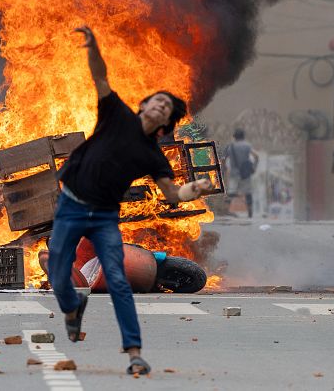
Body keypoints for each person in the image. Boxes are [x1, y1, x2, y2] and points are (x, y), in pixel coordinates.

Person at [48, 26, 212, 376]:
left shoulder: (153, 155)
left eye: (167, 106)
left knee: (120, 283)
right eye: (157, 99)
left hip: (104, 216)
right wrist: (92, 47)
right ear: (144, 104)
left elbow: (172, 194)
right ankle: (72, 309)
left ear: (166, 123)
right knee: (59, 271)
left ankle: (134, 351)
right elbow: (100, 76)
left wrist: (193, 191)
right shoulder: (116, 113)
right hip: (71, 204)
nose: (160, 104)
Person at [222, 129, 259, 218]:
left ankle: (226, 209)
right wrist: (254, 167)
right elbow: (256, 156)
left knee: (231, 192)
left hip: (234, 173)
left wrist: (225, 167)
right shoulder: (247, 145)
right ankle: (250, 211)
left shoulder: (230, 146)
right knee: (247, 192)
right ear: (243, 136)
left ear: (234, 137)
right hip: (245, 173)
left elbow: (223, 159)